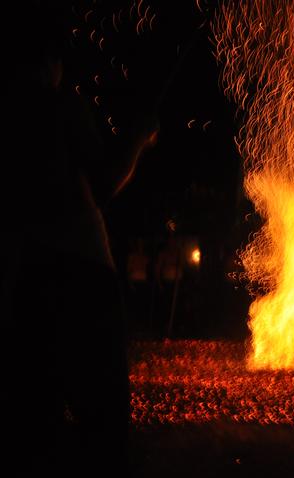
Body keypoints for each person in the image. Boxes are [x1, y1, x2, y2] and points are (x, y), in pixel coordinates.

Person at [0, 3, 158, 474]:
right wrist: (139, 138)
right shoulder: (59, 105)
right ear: (49, 60)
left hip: (25, 280)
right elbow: (105, 181)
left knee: (35, 421)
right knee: (104, 421)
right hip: (81, 276)